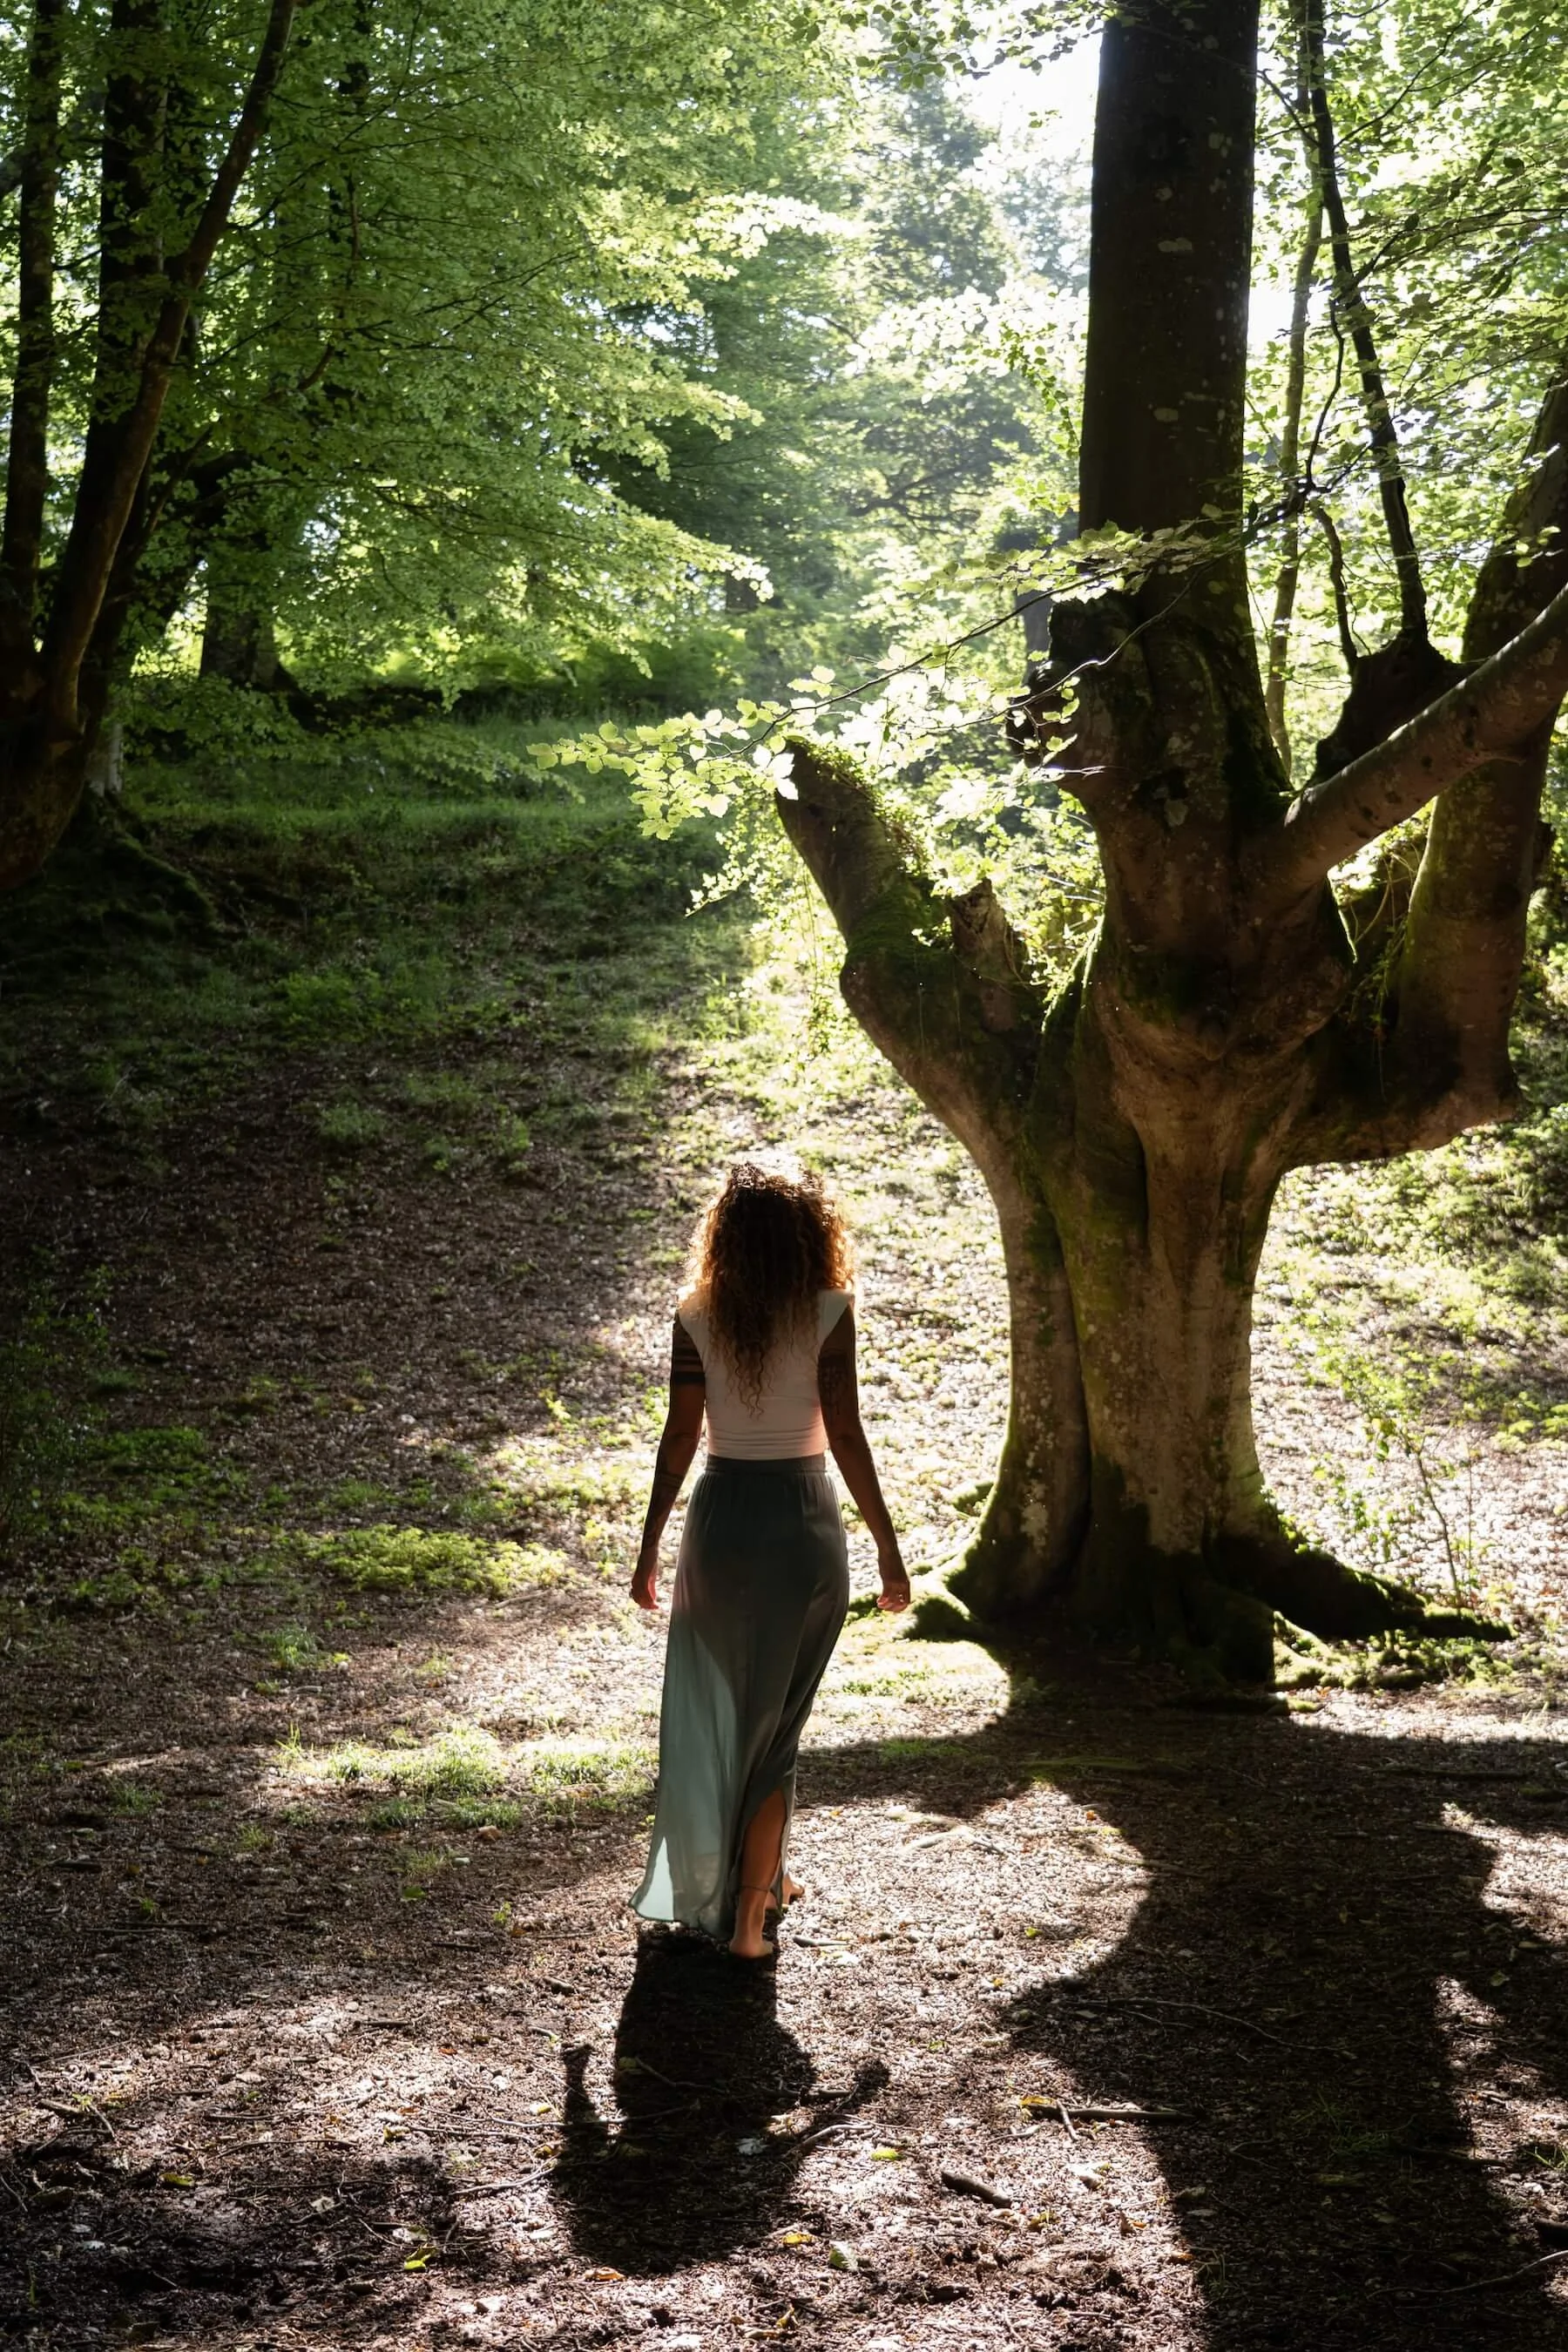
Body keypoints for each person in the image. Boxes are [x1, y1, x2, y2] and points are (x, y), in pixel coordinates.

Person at [629, 1161, 909, 1961]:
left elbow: (681, 1438)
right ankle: (749, 1923)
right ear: (808, 1238)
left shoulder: (695, 1314)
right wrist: (889, 1549)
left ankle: (765, 1876)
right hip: (802, 1528)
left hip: (719, 1529)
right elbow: (846, 1435)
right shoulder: (829, 1311)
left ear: (725, 1240)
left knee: (732, 1713)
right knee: (777, 1729)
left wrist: (650, 1543)